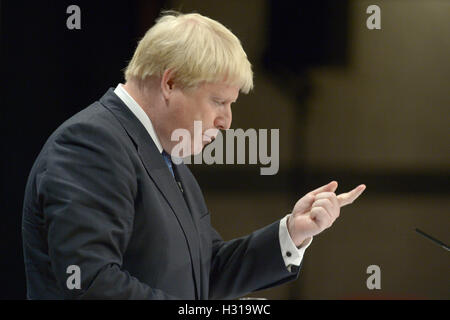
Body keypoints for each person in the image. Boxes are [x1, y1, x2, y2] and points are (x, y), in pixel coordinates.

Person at [22, 11, 366, 300]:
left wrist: (292, 232)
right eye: (219, 101)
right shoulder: (91, 143)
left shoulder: (166, 156)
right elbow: (89, 282)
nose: (227, 121)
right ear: (169, 84)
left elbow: (205, 272)